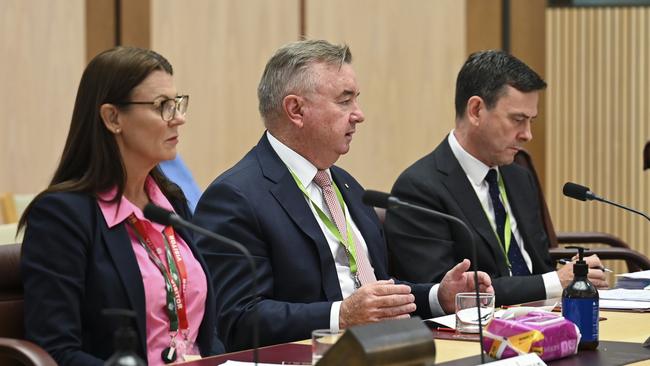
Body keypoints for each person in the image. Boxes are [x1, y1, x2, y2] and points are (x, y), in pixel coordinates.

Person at [193, 40, 493, 351]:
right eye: (344, 101)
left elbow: (373, 290)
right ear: (296, 109)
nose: (358, 115)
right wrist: (341, 314)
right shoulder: (236, 197)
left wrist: (438, 295)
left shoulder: (344, 184)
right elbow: (238, 319)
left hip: (386, 349)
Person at [19, 47, 223, 365]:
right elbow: (57, 351)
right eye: (162, 107)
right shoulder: (62, 217)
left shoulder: (171, 203)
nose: (179, 118)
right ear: (113, 117)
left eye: (178, 103)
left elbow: (205, 336)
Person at [384, 50, 607, 306]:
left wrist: (575, 276)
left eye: (531, 121)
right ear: (476, 110)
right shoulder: (419, 188)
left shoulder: (519, 177)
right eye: (518, 120)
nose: (527, 135)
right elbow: (447, 294)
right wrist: (556, 282)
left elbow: (539, 264)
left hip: (548, 319)